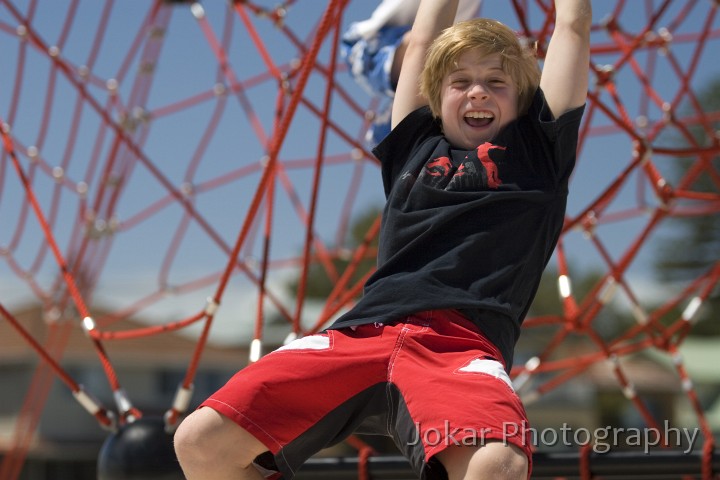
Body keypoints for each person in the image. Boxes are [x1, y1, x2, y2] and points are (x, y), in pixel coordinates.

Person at [174, 0, 592, 479]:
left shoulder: (539, 153)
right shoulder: (413, 141)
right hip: (363, 331)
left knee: (495, 464)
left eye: (496, 83)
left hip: (459, 343)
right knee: (200, 440)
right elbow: (419, 39)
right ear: (437, 96)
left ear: (521, 99)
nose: (477, 92)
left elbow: (574, 26)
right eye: (460, 82)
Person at [341, 0, 483, 147]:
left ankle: (392, 130)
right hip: (372, 46)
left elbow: (423, 44)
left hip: (377, 51)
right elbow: (422, 44)